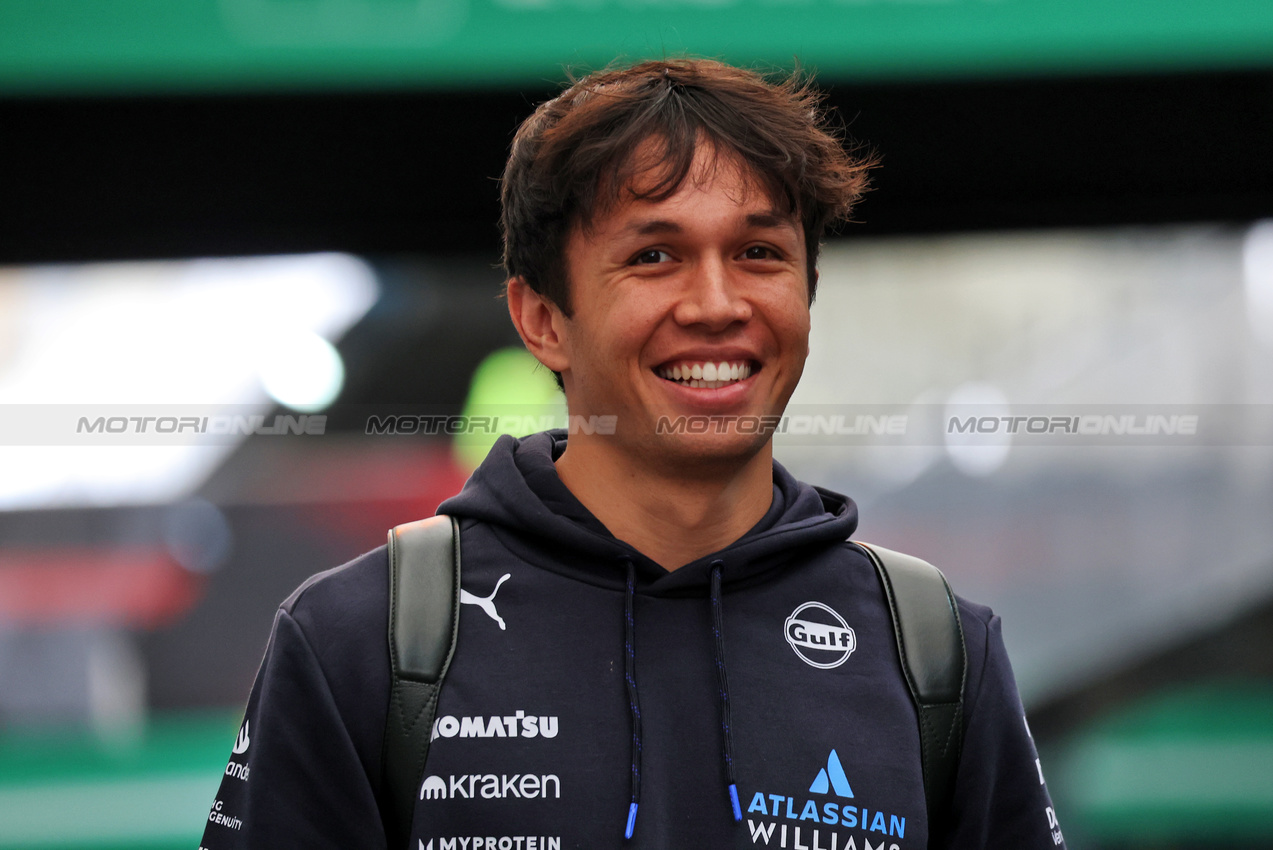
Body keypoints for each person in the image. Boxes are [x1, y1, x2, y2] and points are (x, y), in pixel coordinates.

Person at [201, 58, 1066, 849]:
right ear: (542, 319)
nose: (718, 303)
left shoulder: (936, 649)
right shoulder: (359, 640)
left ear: (806, 295)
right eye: (655, 256)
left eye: (759, 253)